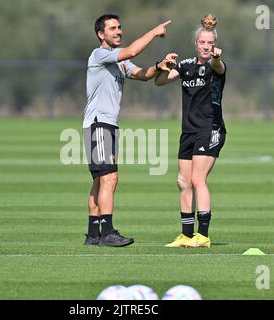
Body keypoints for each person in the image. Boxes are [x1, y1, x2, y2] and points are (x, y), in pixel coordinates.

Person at [83, 14, 177, 247]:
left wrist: (159, 66)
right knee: (109, 177)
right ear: (100, 34)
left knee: (100, 181)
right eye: (112, 28)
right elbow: (132, 51)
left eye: (119, 27)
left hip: (106, 124)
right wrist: (154, 32)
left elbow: (141, 74)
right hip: (99, 124)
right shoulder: (100, 54)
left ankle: (93, 235)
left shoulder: (118, 62)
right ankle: (108, 233)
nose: (118, 31)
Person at [154, 14, 227, 248]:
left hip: (210, 128)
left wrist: (216, 58)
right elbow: (160, 82)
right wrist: (164, 65)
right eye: (202, 43)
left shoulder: (217, 65)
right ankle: (186, 235)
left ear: (214, 45)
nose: (206, 47)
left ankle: (203, 236)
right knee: (183, 181)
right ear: (196, 44)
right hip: (188, 131)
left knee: (197, 179)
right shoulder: (185, 66)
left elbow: (218, 65)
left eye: (210, 43)